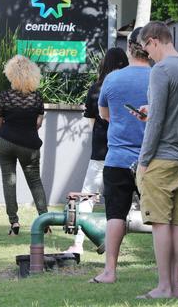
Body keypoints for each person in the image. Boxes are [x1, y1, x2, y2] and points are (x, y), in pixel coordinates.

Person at [134, 21, 178, 300]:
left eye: (145, 48)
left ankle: (163, 286)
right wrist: (157, 111)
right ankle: (174, 287)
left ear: (153, 40)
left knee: (160, 224)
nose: (146, 54)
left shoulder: (160, 70)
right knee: (177, 224)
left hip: (161, 159)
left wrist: (143, 160)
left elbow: (157, 122)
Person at [90, 28, 151, 284]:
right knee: (160, 219)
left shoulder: (112, 80)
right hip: (152, 159)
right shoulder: (159, 77)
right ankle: (166, 277)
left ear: (129, 48)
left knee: (115, 214)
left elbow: (104, 115)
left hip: (117, 158)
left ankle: (110, 271)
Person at [64, 47, 128, 255]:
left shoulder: (96, 88)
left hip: (101, 150)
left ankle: (78, 243)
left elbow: (93, 121)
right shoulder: (128, 86)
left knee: (88, 196)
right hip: (127, 151)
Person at [0, 55, 48, 235]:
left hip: (5, 141)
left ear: (11, 74)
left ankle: (14, 222)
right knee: (34, 181)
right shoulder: (37, 98)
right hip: (29, 145)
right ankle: (44, 220)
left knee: (9, 180)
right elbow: (38, 123)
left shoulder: (5, 96)